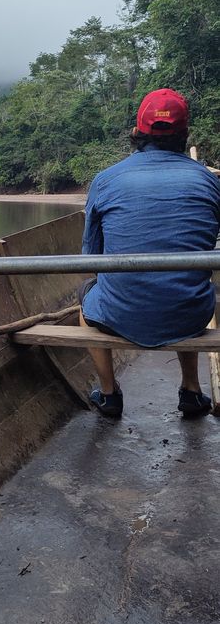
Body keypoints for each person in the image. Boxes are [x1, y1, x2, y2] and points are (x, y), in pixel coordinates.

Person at [80, 88, 220, 419]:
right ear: (184, 135)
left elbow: (90, 259)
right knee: (195, 284)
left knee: (85, 294)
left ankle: (110, 395)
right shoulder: (209, 181)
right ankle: (191, 389)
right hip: (191, 314)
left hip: (120, 317)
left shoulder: (105, 180)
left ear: (137, 132)